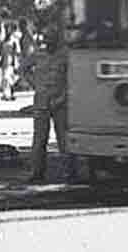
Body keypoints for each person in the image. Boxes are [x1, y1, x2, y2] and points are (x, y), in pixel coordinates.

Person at [29, 22, 80, 183]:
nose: (48, 41)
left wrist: (63, 97)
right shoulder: (38, 54)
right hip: (42, 102)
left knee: (64, 140)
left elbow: (72, 79)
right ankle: (37, 172)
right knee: (39, 140)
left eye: (51, 38)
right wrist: (34, 83)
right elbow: (23, 69)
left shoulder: (65, 55)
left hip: (60, 102)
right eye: (46, 38)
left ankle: (71, 172)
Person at [0, 22, 21, 101]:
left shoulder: (14, 40)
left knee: (9, 78)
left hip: (11, 61)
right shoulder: (3, 40)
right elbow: (1, 52)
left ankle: (10, 93)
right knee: (5, 79)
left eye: (8, 29)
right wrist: (0, 60)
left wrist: (15, 63)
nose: (7, 30)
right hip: (4, 61)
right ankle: (5, 94)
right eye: (6, 29)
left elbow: (17, 52)